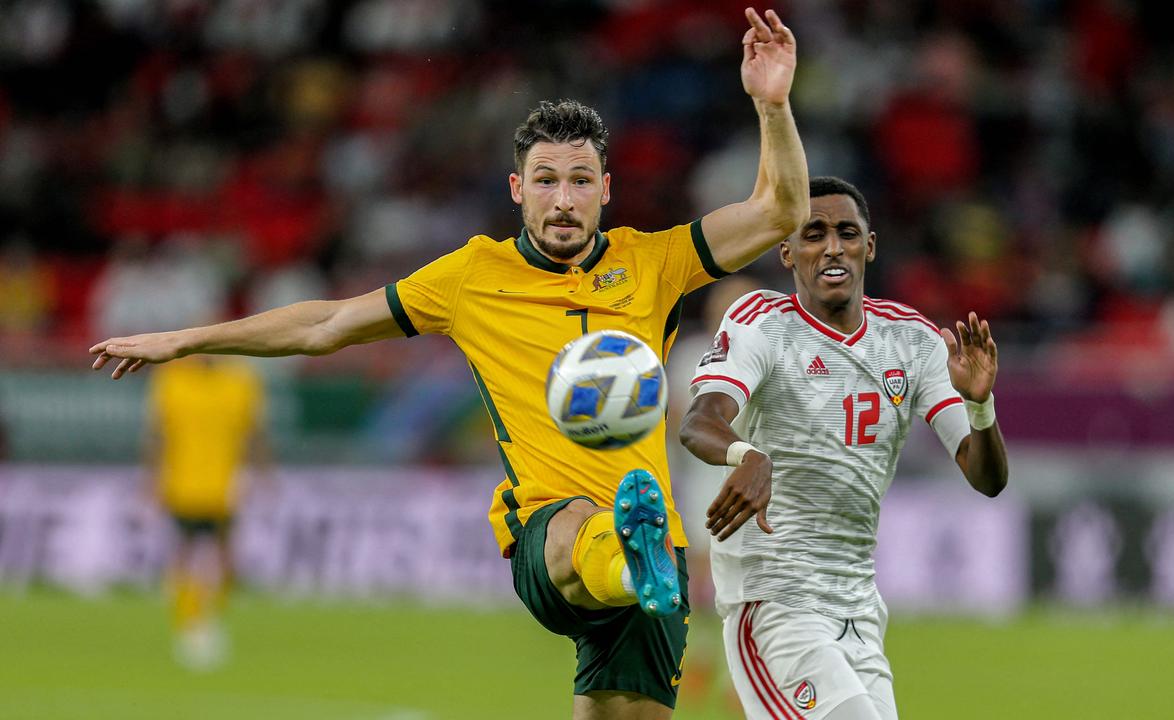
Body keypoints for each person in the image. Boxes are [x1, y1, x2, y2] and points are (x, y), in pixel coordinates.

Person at [89, 8, 807, 718]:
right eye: (547, 181)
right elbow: (328, 323)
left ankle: (636, 565)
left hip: (662, 564)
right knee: (579, 525)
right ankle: (627, 558)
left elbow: (779, 214)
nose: (564, 200)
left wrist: (772, 105)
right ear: (517, 189)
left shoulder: (654, 262)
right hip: (549, 531)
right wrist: (187, 339)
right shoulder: (471, 277)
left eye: (581, 181)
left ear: (607, 191)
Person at [679, 176, 1009, 720]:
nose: (832, 246)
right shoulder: (761, 324)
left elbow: (986, 477)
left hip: (857, 606)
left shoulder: (913, 341)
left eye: (846, 233)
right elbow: (701, 420)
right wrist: (748, 455)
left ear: (869, 246)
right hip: (774, 599)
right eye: (813, 234)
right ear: (787, 251)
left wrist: (980, 406)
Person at [145, 355, 268, 669]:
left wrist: (262, 472)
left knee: (224, 554)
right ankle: (188, 619)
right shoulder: (172, 381)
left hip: (223, 486)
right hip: (183, 485)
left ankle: (209, 615)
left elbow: (253, 433)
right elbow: (158, 435)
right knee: (185, 552)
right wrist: (152, 477)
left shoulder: (240, 381)